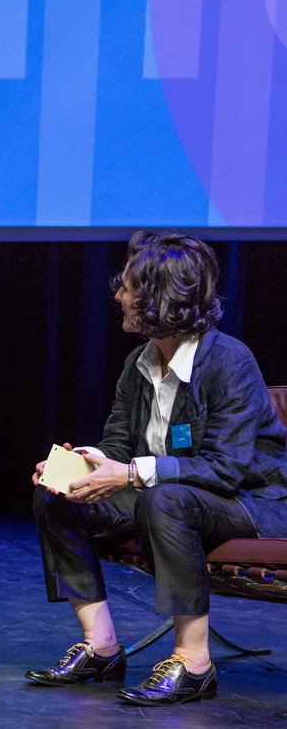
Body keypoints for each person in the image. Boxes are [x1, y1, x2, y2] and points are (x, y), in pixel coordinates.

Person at [28, 231, 287, 705]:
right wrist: (82, 464)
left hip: (254, 503)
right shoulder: (139, 363)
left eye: (127, 287)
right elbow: (117, 446)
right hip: (174, 498)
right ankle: (101, 645)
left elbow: (226, 470)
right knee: (57, 494)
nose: (119, 295)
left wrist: (129, 475)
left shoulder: (229, 362)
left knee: (162, 497)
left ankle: (193, 663)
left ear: (157, 299)